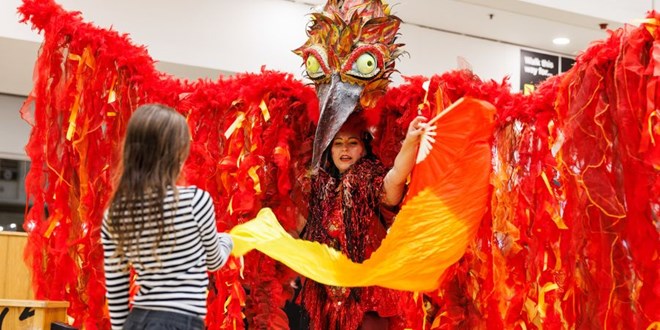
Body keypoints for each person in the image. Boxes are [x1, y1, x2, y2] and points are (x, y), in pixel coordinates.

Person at [101, 104, 234, 330]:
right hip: (181, 322)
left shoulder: (116, 213)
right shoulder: (196, 201)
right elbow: (215, 261)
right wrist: (228, 240)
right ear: (176, 154)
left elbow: (116, 290)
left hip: (137, 321)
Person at [300, 113, 428, 330]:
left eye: (352, 143)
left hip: (368, 304)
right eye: (338, 143)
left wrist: (410, 142)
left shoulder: (371, 183)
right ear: (330, 151)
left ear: (365, 149)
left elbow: (396, 176)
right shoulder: (320, 191)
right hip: (328, 306)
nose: (344, 149)